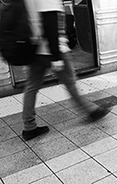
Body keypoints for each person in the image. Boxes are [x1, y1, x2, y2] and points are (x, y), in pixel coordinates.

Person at [21, 0, 110, 141]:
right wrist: (56, 57)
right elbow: (50, 24)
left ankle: (29, 127)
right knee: (70, 82)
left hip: (35, 50)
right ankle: (90, 111)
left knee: (31, 87)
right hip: (54, 50)